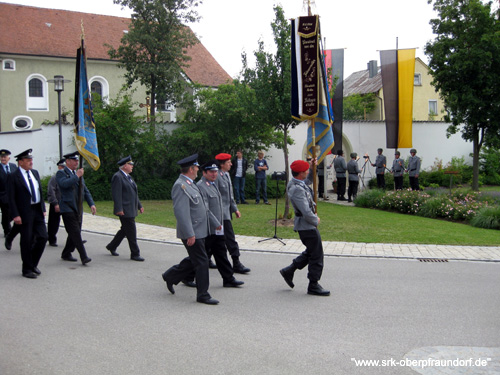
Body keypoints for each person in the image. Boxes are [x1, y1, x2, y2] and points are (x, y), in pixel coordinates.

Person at [161, 154, 219, 305]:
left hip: (200, 229)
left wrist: (214, 222)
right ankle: (203, 294)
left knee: (197, 259)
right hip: (193, 231)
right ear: (191, 169)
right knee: (202, 261)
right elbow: (181, 212)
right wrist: (189, 233)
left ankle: (170, 276)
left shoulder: (191, 183)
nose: (198, 170)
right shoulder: (180, 185)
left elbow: (203, 207)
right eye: (196, 167)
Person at [279, 159, 330, 296]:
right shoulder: (296, 189)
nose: (307, 172)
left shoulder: (298, 183)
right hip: (306, 226)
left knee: (311, 251)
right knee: (317, 255)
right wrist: (315, 220)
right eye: (306, 170)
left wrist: (313, 166)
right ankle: (313, 284)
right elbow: (306, 211)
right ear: (300, 173)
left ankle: (289, 270)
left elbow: (309, 181)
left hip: (306, 226)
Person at [196, 161, 244, 287]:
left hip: (218, 225)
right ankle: (177, 274)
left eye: (215, 171)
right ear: (204, 172)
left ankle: (228, 278)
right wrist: (216, 223)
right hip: (209, 226)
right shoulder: (201, 186)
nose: (214, 174)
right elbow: (205, 208)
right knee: (201, 254)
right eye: (211, 171)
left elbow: (224, 200)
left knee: (220, 251)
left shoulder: (213, 183)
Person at [7, 149, 47, 279]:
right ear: (20, 162)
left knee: (43, 237)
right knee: (26, 240)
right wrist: (15, 215)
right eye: (28, 160)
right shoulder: (13, 176)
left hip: (37, 210)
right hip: (24, 212)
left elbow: (39, 192)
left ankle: (33, 263)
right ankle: (26, 269)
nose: (31, 162)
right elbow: (11, 198)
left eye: (31, 159)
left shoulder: (34, 173)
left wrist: (43, 208)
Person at [56, 151, 95, 265]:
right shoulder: (61, 173)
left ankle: (66, 253)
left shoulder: (78, 174)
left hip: (78, 208)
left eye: (77, 160)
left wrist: (91, 204)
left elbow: (85, 190)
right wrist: (76, 176)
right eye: (74, 160)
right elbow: (64, 184)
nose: (77, 162)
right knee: (76, 232)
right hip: (67, 207)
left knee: (74, 232)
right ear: (67, 161)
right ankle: (84, 256)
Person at [215, 153, 251, 274]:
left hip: (226, 212)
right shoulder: (216, 176)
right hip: (219, 214)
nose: (231, 164)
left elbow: (229, 196)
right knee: (229, 238)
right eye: (228, 162)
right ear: (222, 164)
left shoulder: (226, 175)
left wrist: (235, 209)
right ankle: (236, 263)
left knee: (216, 241)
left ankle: (202, 261)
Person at [106, 156, 145, 261]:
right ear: (125, 166)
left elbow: (134, 193)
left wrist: (139, 205)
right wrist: (119, 208)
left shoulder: (128, 177)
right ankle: (135, 253)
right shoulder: (117, 177)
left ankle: (112, 246)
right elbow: (116, 194)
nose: (132, 166)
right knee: (131, 231)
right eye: (130, 164)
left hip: (130, 208)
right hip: (124, 209)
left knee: (125, 230)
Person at [47, 158, 65, 246]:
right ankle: (51, 239)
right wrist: (55, 203)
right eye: (62, 167)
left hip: (66, 203)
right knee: (54, 223)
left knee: (71, 222)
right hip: (57, 203)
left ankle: (75, 239)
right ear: (59, 167)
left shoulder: (67, 177)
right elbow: (51, 191)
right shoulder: (54, 178)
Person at [0, 149, 18, 238]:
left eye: (5, 157)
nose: (3, 158)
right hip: (2, 195)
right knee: (6, 213)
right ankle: (7, 231)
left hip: (13, 194)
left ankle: (6, 224)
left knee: (11, 213)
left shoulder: (13, 166)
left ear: (9, 158)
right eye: (1, 157)